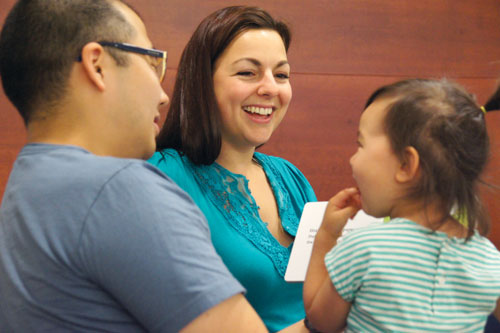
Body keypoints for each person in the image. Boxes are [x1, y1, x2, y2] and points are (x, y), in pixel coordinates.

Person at [0, 0, 272, 331]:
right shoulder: (118, 189)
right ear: (97, 65)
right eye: (151, 61)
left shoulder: (26, 184)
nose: (163, 96)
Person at [148, 6, 316, 332]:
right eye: (247, 73)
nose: (270, 88)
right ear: (202, 83)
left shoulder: (291, 178)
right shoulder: (162, 176)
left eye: (281, 75)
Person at [303, 78, 500, 332]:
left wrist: (327, 235)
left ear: (406, 165)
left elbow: (320, 321)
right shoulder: (490, 261)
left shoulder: (364, 249)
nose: (352, 160)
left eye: (360, 145)